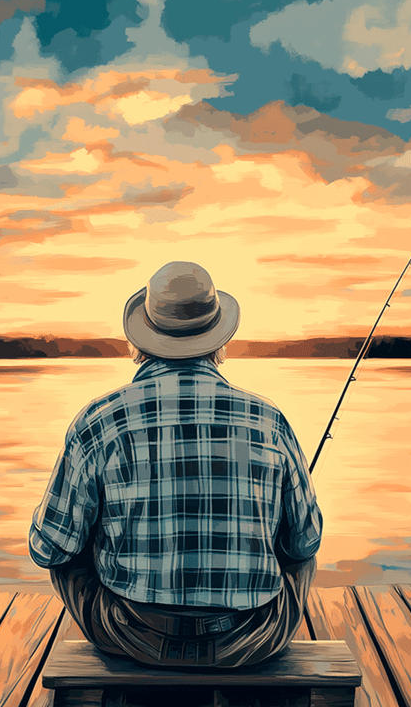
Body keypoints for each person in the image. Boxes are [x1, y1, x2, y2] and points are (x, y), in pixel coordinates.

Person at [28, 261, 322, 668]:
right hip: (252, 639)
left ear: (142, 340)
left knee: (70, 546)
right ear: (219, 339)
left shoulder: (96, 422)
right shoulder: (268, 420)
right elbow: (305, 542)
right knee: (301, 548)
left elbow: (48, 549)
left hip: (132, 635)